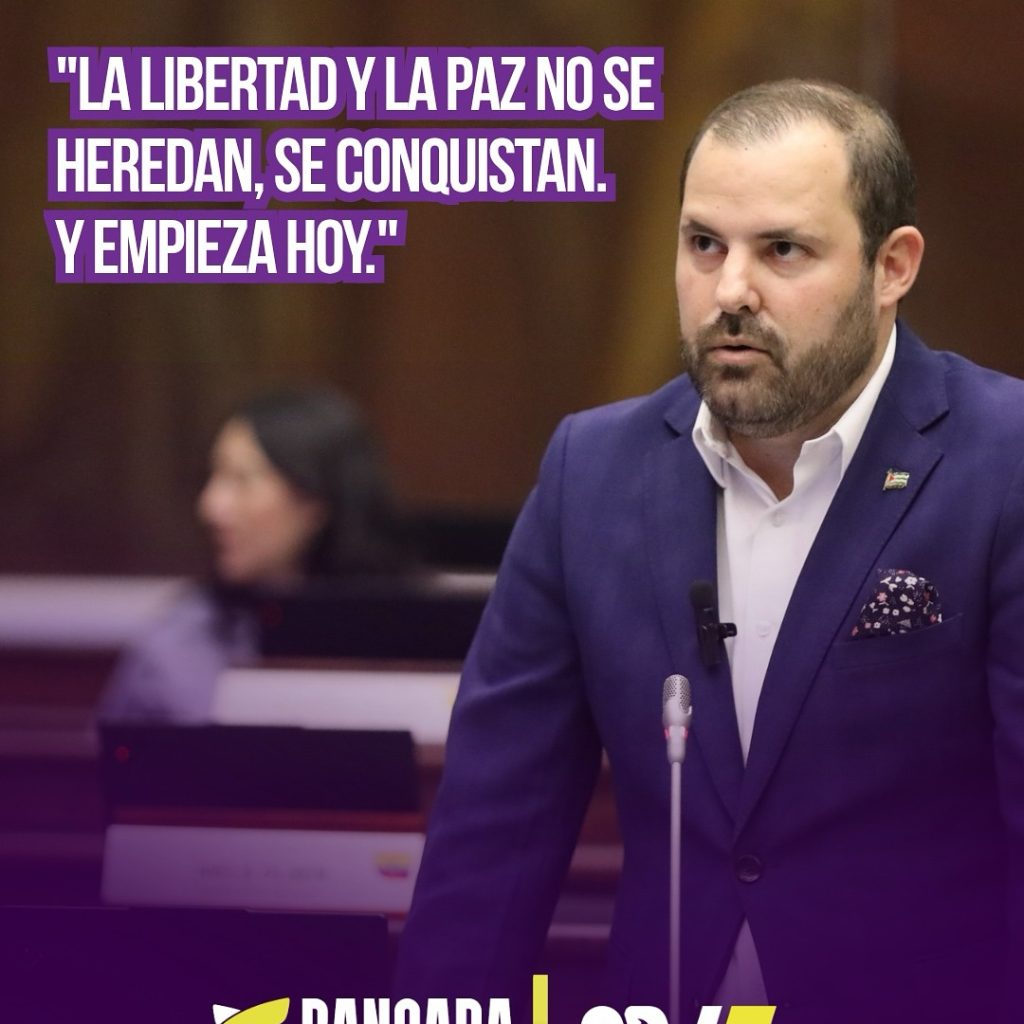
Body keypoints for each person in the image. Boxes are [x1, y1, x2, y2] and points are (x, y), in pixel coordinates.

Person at [394, 79, 1024, 1024]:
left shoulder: (1003, 463)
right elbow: (492, 833)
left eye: (783, 250)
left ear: (892, 266)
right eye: (704, 245)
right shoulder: (591, 473)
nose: (731, 292)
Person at [99, 387, 403, 723]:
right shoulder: (178, 642)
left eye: (241, 479)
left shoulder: (399, 634)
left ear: (315, 499)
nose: (211, 507)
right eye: (214, 476)